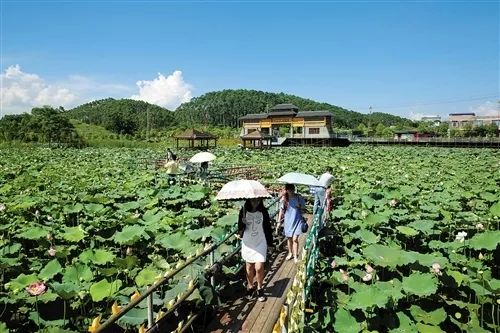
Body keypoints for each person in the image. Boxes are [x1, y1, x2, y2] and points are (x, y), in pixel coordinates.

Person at [238, 197, 274, 302]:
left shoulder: (263, 211)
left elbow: (267, 227)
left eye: (258, 201)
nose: (256, 203)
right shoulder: (243, 211)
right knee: (249, 267)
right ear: (249, 200)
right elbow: (240, 231)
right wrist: (243, 223)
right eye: (254, 200)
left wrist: (270, 243)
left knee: (259, 267)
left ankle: (260, 288)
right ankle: (250, 286)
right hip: (248, 242)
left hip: (260, 241)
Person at [277, 184, 306, 264]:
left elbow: (303, 208)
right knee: (289, 239)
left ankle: (295, 256)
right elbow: (281, 210)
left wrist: (299, 206)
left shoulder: (298, 197)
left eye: (292, 189)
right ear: (286, 190)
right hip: (288, 221)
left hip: (297, 220)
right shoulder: (284, 199)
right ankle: (290, 253)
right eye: (289, 190)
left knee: (295, 239)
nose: (291, 191)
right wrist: (279, 221)